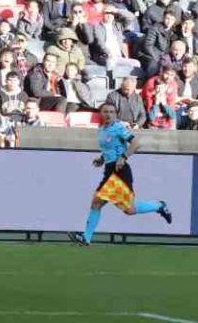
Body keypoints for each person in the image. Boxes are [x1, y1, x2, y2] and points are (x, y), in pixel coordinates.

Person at [69, 102, 173, 245]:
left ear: (115, 114)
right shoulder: (102, 130)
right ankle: (86, 238)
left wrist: (123, 157)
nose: (108, 115)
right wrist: (102, 159)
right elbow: (110, 149)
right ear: (100, 114)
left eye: (112, 112)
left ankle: (159, 206)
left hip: (120, 171)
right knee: (109, 206)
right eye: (105, 112)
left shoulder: (118, 128)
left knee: (116, 207)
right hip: (109, 170)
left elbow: (135, 143)